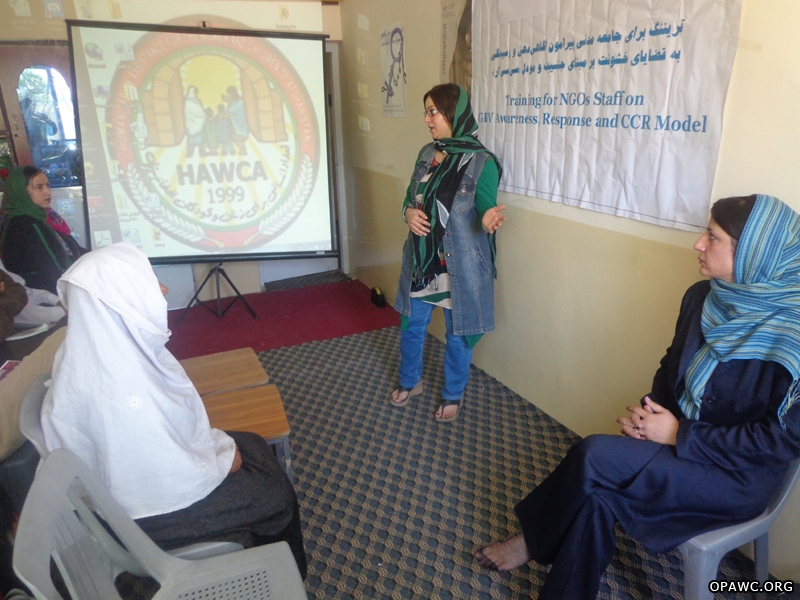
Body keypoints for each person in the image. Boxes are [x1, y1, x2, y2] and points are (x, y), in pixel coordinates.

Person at [474, 194, 800, 599]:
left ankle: (532, 540)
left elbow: (781, 442)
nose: (698, 244)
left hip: (734, 476)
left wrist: (678, 434)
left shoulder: (793, 332)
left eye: (712, 237)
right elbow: (671, 365)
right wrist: (649, 419)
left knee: (593, 455)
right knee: (596, 495)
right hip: (675, 441)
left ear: (753, 252)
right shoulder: (703, 296)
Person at [40, 241, 307, 576]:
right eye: (148, 280)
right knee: (275, 497)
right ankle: (285, 578)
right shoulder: (118, 389)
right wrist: (221, 461)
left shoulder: (92, 350)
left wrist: (220, 453)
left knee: (251, 442)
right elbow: (166, 475)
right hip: (142, 519)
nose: (163, 288)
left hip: (131, 490)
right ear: (119, 300)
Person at [391, 84, 506, 422]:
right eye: (426, 112)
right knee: (412, 326)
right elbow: (411, 197)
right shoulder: (427, 152)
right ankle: (410, 381)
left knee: (458, 334)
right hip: (422, 262)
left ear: (453, 113)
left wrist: (487, 219)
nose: (427, 119)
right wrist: (408, 213)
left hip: (460, 265)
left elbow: (484, 208)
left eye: (433, 112)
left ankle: (453, 394)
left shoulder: (482, 161)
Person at [0, 166, 85, 294]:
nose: (47, 192)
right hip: (48, 296)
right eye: (39, 187)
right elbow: (53, 269)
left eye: (47, 185)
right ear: (20, 191)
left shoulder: (42, 217)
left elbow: (73, 249)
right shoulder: (26, 224)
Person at [0, 260, 65, 329]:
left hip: (40, 312)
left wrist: (57, 301)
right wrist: (61, 312)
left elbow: (22, 290)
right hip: (22, 325)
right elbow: (15, 313)